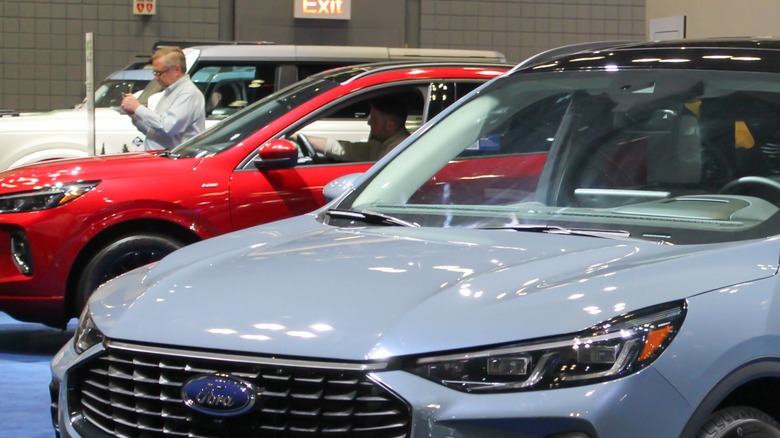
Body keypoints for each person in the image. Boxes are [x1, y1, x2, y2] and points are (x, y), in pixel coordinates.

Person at [120, 47, 205, 150]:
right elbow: (156, 132)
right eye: (155, 73)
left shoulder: (188, 93)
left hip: (176, 162)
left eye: (159, 73)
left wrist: (138, 108)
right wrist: (135, 116)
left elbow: (168, 127)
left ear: (177, 69)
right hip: (163, 159)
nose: (156, 78)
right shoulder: (171, 92)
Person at [301, 96, 410, 162]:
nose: (369, 122)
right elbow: (342, 149)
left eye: (374, 119)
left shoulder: (400, 150)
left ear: (391, 125)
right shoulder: (380, 145)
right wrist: (299, 137)